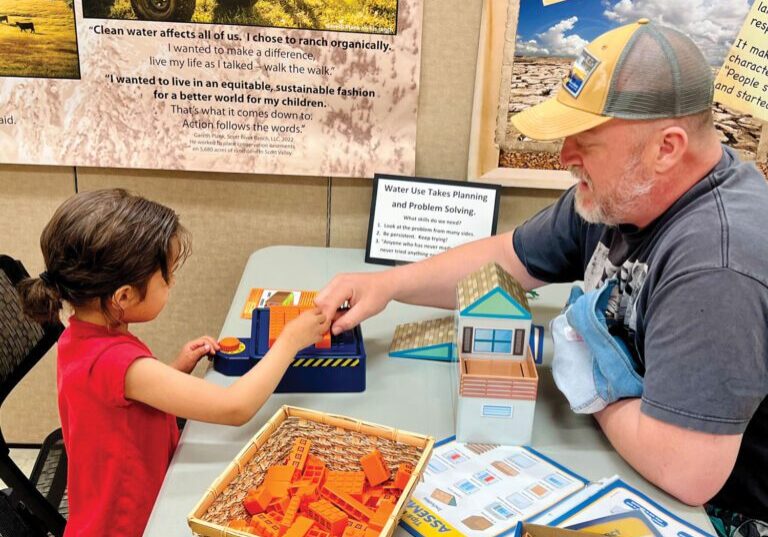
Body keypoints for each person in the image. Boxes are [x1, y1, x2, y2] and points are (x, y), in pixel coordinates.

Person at [315, 19, 768, 534]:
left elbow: (688, 471)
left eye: (587, 141)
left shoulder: (718, 265)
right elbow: (509, 258)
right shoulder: (623, 193)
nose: (565, 156)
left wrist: (589, 382)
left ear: (666, 148)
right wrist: (389, 286)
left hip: (722, 511)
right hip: (635, 452)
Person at [17, 189, 331, 537]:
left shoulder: (80, 337)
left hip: (104, 507)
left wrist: (174, 370)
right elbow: (235, 407)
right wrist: (290, 340)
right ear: (123, 296)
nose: (173, 283)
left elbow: (120, 402)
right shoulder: (119, 362)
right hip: (131, 525)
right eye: (166, 277)